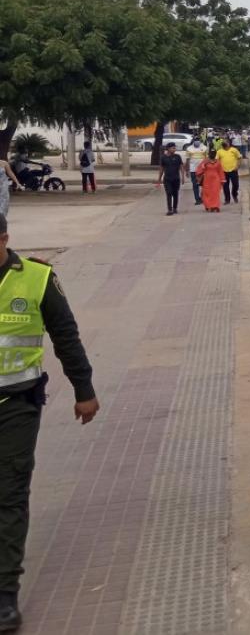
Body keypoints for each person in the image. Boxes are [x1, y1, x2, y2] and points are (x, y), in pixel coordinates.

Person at [0, 211, 99, 630]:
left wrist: (84, 390)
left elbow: (65, 334)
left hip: (16, 405)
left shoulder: (37, 279)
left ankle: (5, 592)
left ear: (3, 237)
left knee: (9, 492)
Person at [156, 142, 185, 216]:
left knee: (175, 194)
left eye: (175, 148)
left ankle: (175, 208)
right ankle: (169, 209)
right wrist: (159, 180)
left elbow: (181, 167)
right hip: (167, 179)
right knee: (169, 193)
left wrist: (183, 177)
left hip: (176, 179)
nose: (174, 149)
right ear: (168, 149)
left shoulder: (178, 156)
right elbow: (161, 169)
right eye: (173, 148)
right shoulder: (163, 157)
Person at [216, 139, 242, 204]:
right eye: (223, 143)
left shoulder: (234, 150)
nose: (224, 143)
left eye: (226, 142)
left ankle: (234, 194)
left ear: (229, 143)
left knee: (236, 185)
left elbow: (239, 158)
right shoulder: (219, 151)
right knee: (225, 186)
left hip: (233, 170)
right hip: (223, 171)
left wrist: (237, 166)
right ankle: (227, 199)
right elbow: (217, 160)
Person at [186, 136, 208, 205]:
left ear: (200, 141)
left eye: (198, 140)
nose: (197, 141)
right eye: (196, 140)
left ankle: (204, 198)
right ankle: (197, 199)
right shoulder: (189, 149)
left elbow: (207, 159)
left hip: (203, 169)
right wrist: (187, 170)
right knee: (195, 185)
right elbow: (187, 160)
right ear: (193, 141)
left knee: (204, 185)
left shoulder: (204, 148)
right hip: (193, 170)